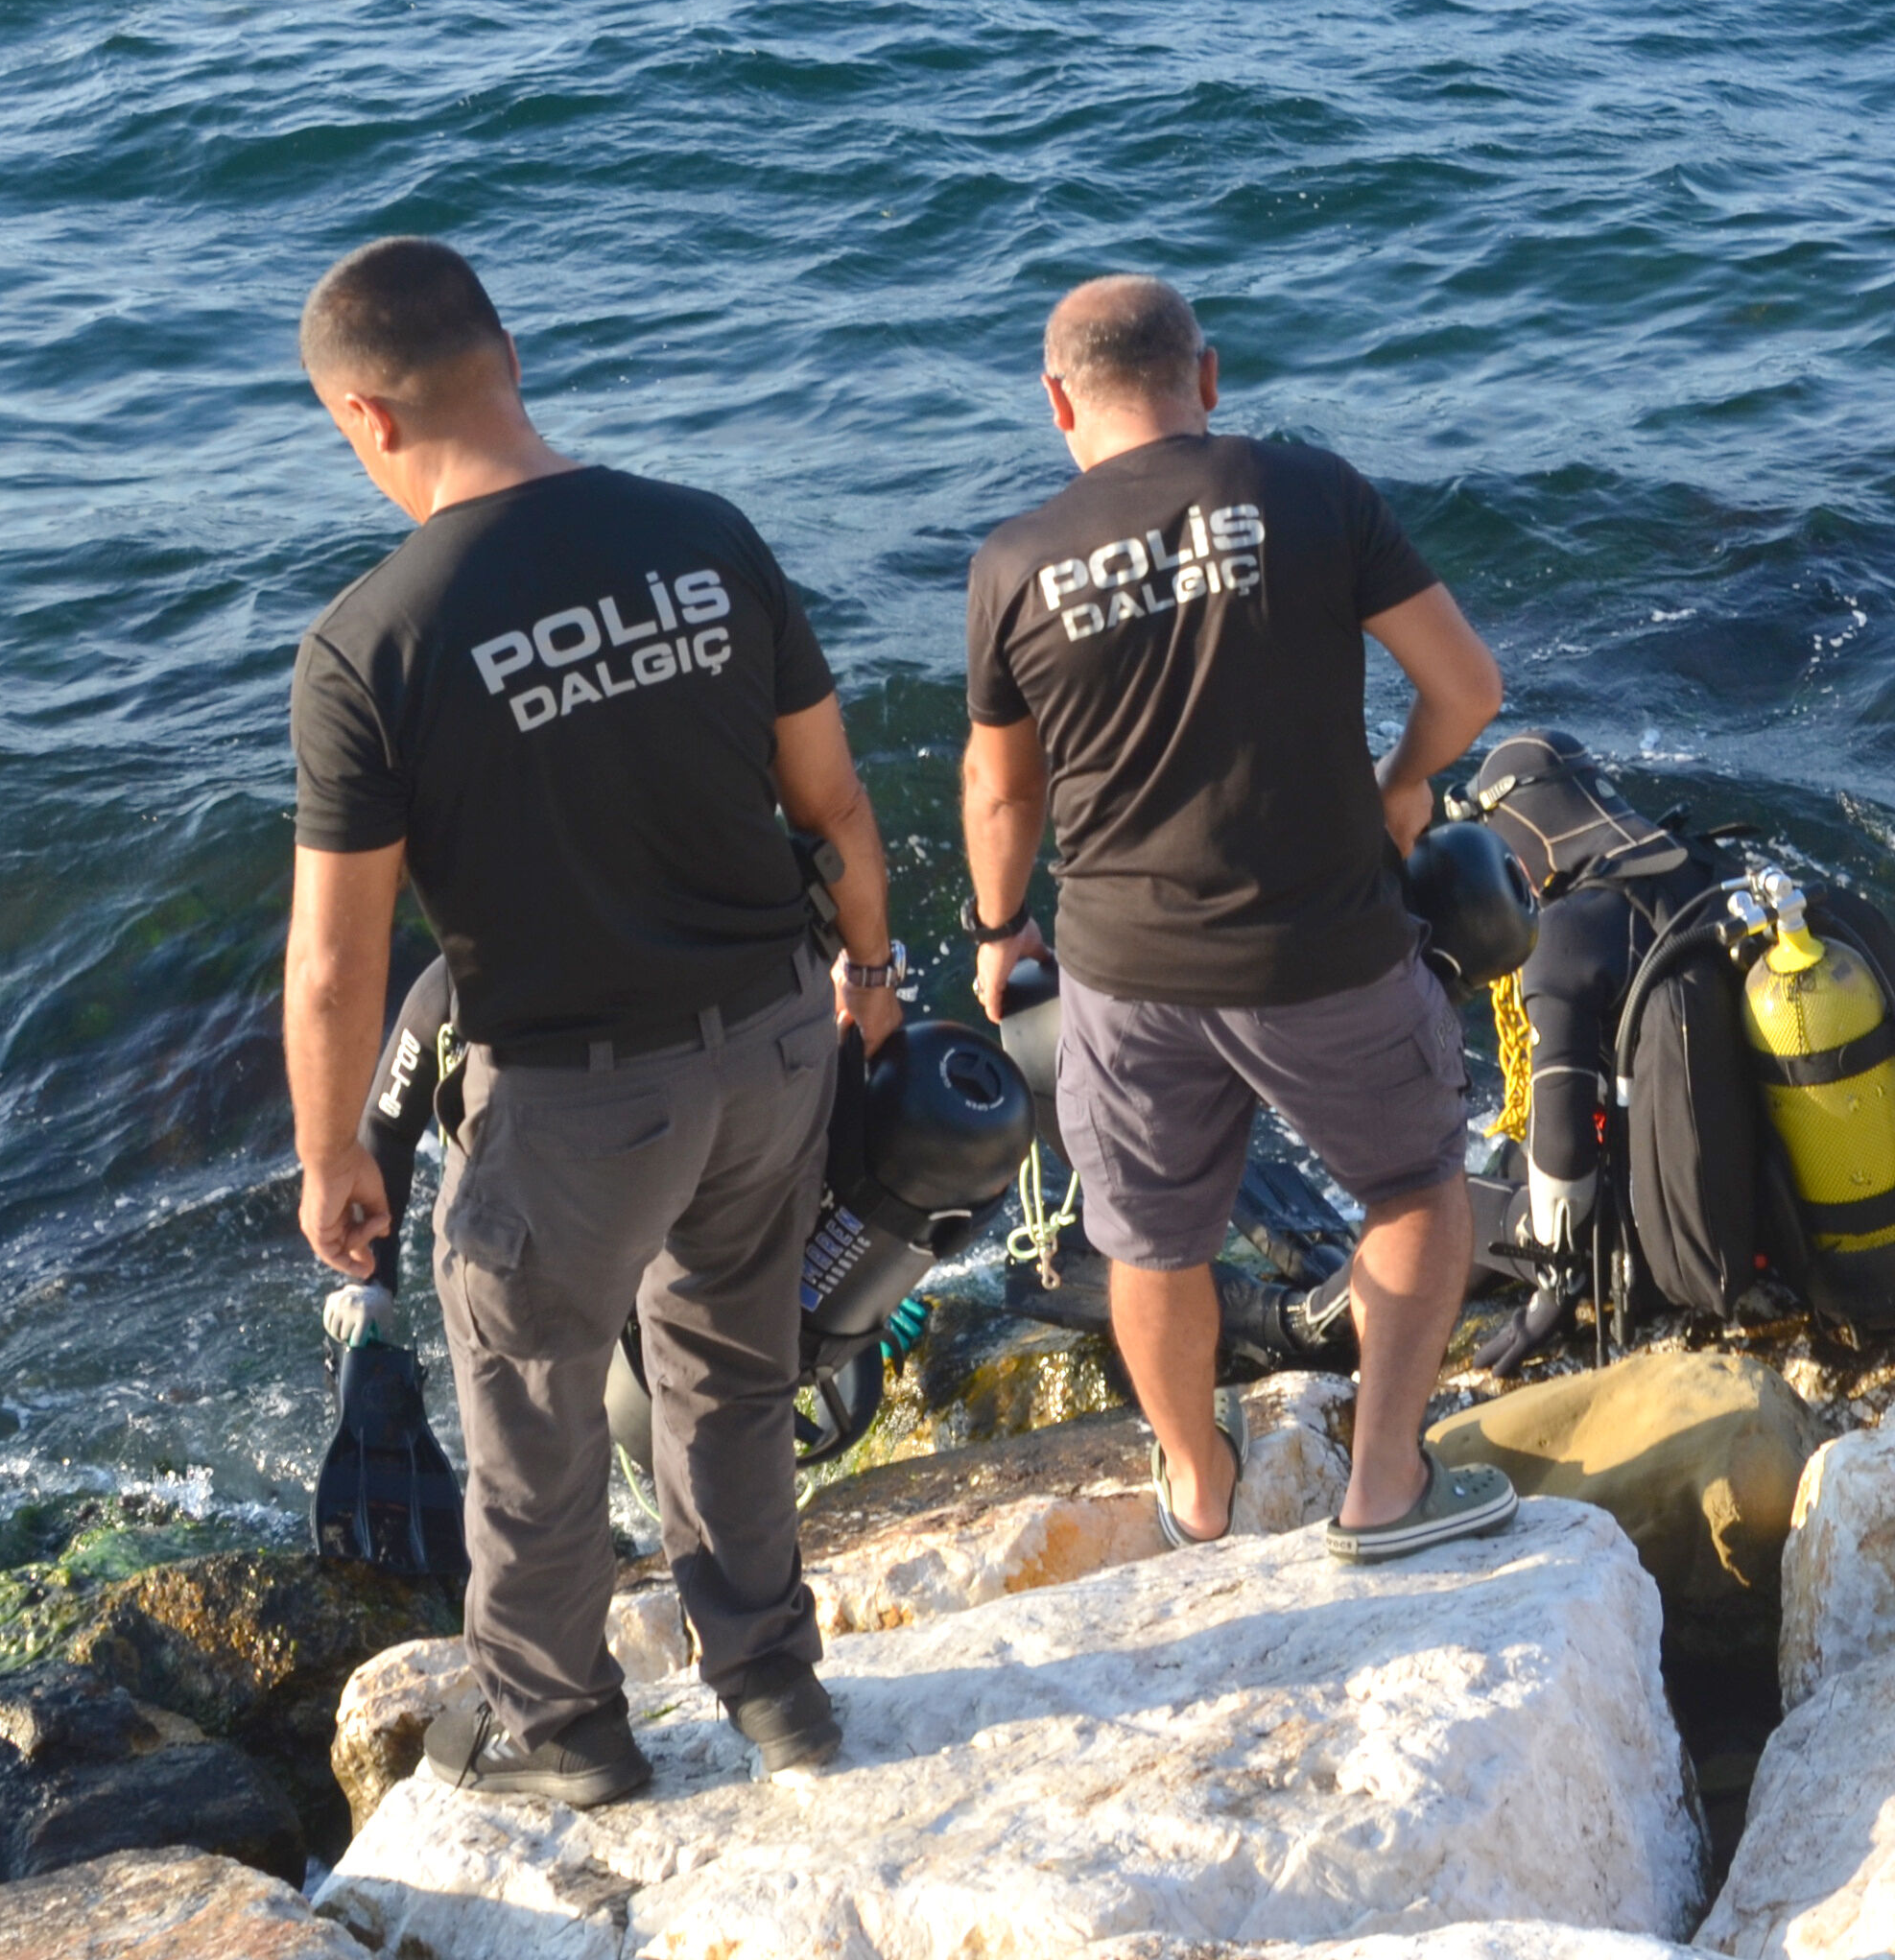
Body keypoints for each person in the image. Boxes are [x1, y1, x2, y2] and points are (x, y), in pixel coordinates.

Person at [278, 236, 898, 1804]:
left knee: (535, 1418)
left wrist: (333, 1148)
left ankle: (566, 1737)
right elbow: (832, 808)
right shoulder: (706, 538)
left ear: (367, 417)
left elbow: (340, 966)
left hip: (569, 1101)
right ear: (510, 356)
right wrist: (870, 983)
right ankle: (775, 1691)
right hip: (771, 1046)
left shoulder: (372, 642)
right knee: (733, 1373)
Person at [959, 273, 1514, 1560]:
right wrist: (1401, 787)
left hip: (1122, 970)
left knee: (1152, 1244)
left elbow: (1001, 784)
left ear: (1057, 405)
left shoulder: (1015, 563)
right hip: (1327, 946)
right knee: (1419, 1196)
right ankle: (1383, 1490)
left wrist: (1002, 934)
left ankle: (1200, 1496)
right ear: (1206, 377)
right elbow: (1467, 685)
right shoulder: (1307, 490)